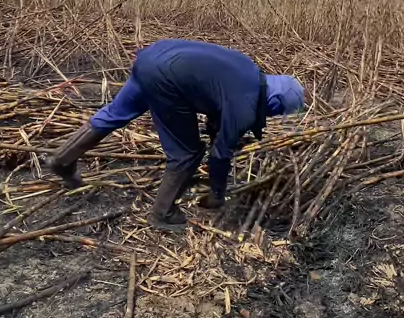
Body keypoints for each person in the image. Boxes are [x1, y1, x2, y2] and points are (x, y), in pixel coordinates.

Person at [46, 39, 305, 231]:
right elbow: (220, 155)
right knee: (187, 152)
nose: (273, 115)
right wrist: (217, 195)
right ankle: (163, 213)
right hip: (167, 77)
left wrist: (221, 132)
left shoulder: (247, 70)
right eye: (278, 112)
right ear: (275, 103)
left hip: (152, 58)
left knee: (115, 113)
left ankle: (62, 160)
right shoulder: (246, 105)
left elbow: (213, 98)